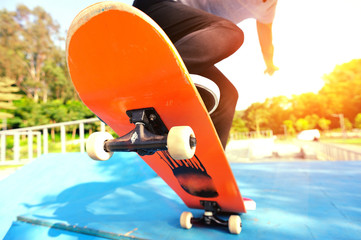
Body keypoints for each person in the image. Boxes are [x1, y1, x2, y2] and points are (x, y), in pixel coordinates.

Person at [133, 0, 279, 149]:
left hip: (180, 41)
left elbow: (266, 34)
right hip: (157, 9)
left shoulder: (269, 6)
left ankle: (206, 160)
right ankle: (149, 80)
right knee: (230, 32)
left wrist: (270, 63)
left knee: (227, 95)